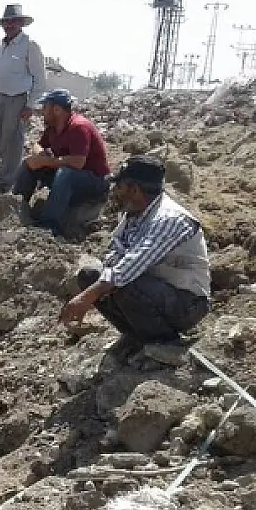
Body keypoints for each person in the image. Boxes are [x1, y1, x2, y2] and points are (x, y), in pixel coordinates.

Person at [60, 156, 211, 367]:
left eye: (119, 186)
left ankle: (162, 343)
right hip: (153, 290)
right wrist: (97, 285)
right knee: (91, 275)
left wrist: (87, 297)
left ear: (134, 190)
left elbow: (129, 267)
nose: (115, 192)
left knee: (120, 282)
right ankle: (135, 335)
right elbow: (114, 255)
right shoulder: (134, 215)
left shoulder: (169, 219)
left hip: (186, 303)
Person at [0, 4, 47, 197]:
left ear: (21, 23)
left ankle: (4, 186)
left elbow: (39, 79)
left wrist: (30, 105)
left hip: (15, 101)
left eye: (13, 21)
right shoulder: (0, 45)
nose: (9, 25)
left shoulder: (30, 46)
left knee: (11, 144)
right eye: (7, 21)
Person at [15, 89, 111, 236]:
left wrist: (46, 162)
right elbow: (39, 144)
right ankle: (16, 208)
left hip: (94, 181)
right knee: (29, 164)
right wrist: (40, 155)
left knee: (65, 174)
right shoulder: (53, 127)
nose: (42, 112)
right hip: (68, 177)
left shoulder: (79, 127)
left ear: (57, 110)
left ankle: (49, 224)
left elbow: (78, 162)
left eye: (45, 107)